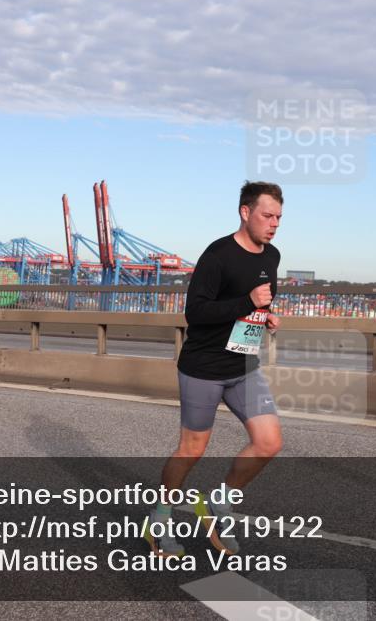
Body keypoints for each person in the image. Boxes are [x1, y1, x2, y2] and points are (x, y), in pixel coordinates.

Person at [145, 181, 284, 558]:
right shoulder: (218, 254)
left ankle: (217, 504)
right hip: (204, 367)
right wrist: (246, 301)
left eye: (278, 218)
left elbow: (261, 303)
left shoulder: (271, 256)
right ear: (245, 212)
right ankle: (159, 519)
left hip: (243, 364)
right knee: (192, 448)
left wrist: (266, 317)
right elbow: (197, 313)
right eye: (267, 216)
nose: (273, 224)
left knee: (269, 441)